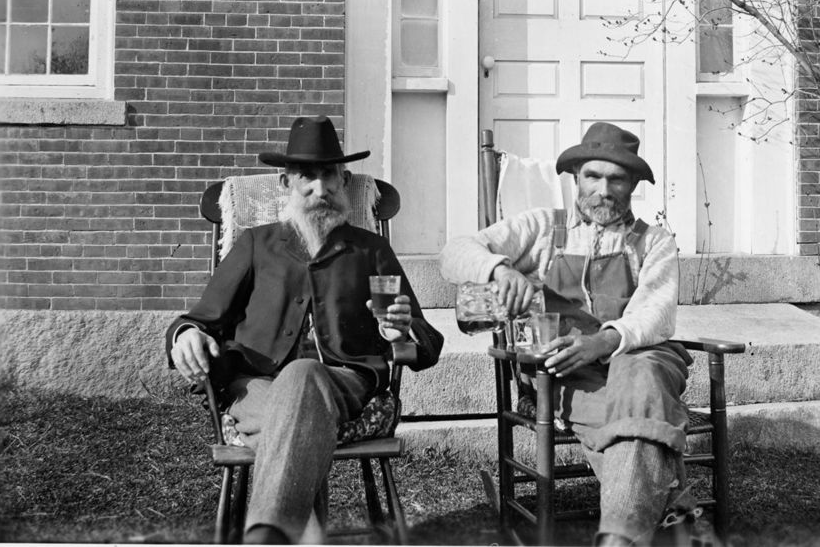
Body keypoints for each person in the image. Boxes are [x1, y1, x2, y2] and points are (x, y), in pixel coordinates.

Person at [166, 116, 444, 544]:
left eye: (329, 176)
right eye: (306, 179)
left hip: (345, 383)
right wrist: (187, 335)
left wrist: (399, 333)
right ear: (286, 184)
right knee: (295, 421)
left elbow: (426, 338)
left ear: (343, 178)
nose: (320, 190)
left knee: (301, 375)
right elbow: (201, 317)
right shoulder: (256, 244)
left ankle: (268, 534)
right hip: (254, 385)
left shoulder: (369, 249)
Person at [440, 122, 694, 546]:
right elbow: (454, 252)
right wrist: (499, 270)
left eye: (616, 179)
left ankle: (629, 532)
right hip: (571, 378)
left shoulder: (655, 242)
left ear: (633, 184)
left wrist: (603, 341)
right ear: (576, 178)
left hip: (644, 359)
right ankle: (654, 519)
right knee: (643, 424)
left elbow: (656, 314)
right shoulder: (543, 228)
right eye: (593, 176)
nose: (604, 189)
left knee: (642, 376)